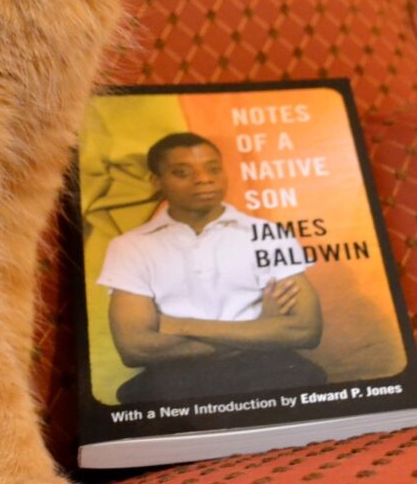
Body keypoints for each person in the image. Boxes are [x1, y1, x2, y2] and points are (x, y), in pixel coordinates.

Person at [98, 132, 326, 404]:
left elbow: (306, 331)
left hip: (265, 370)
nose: (204, 179)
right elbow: (134, 349)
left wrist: (181, 325)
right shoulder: (130, 247)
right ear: (157, 181)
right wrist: (262, 329)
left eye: (214, 169)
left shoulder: (267, 233)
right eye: (182, 172)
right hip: (176, 380)